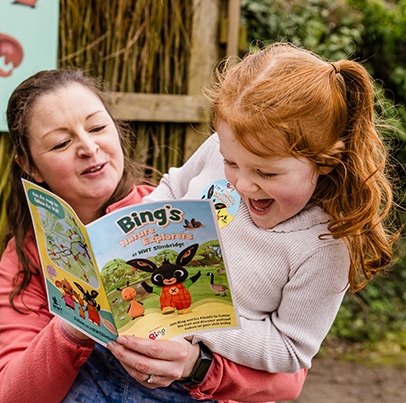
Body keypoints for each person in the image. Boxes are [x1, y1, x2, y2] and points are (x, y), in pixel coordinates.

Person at [0, 68, 309, 403]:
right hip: (90, 387)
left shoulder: (177, 216)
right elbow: (13, 396)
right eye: (61, 143)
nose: (89, 148)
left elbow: (290, 378)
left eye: (97, 128)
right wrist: (74, 326)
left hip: (187, 388)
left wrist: (196, 365)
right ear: (29, 166)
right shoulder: (29, 254)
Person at [137, 41, 397, 376]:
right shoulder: (226, 148)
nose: (242, 184)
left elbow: (290, 348)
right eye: (231, 163)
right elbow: (174, 188)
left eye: (266, 172)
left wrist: (198, 321)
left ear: (326, 161)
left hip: (198, 387)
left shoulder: (325, 245)